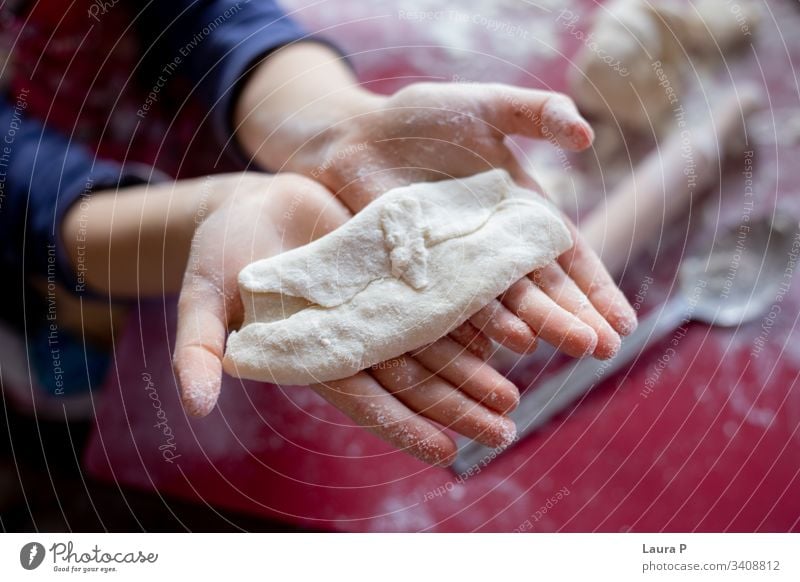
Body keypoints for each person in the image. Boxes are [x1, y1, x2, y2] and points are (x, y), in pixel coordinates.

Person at [0, 0, 636, 466]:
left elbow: (211, 14)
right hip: (72, 279)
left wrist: (336, 127)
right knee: (82, 405)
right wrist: (209, 220)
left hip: (214, 160)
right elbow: (19, 182)